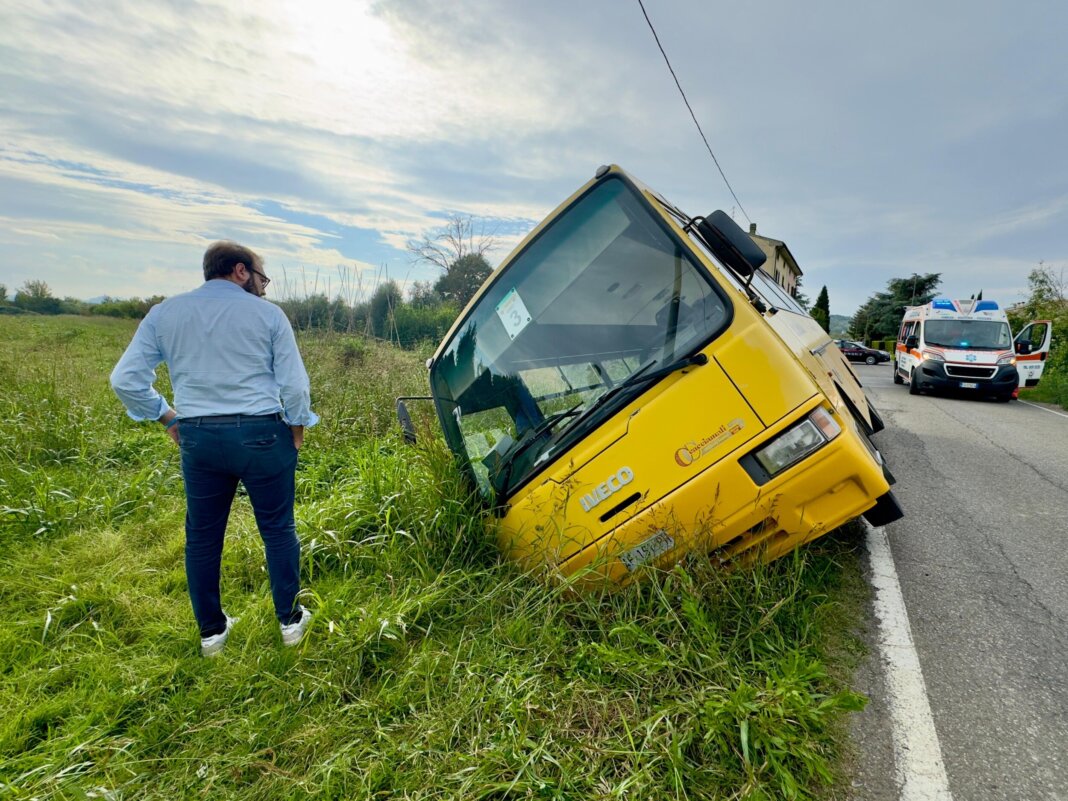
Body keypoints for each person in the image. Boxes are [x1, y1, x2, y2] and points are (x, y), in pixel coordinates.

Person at [110, 241, 318, 657]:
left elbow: (125, 379)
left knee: (202, 536)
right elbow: (295, 386)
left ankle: (212, 634)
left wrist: (167, 417)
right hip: (262, 433)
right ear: (240, 271)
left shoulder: (165, 314)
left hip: (199, 437)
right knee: (277, 528)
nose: (264, 287)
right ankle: (290, 622)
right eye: (262, 277)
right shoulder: (268, 316)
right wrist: (297, 427)